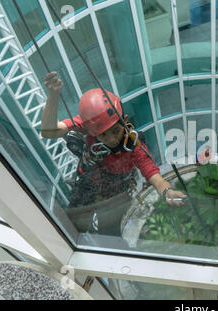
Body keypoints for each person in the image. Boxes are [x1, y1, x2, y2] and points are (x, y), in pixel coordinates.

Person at [41, 72, 186, 224]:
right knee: (74, 221)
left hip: (116, 188)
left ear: (125, 121)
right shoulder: (93, 123)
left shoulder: (132, 144)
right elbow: (48, 131)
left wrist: (166, 190)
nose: (112, 139)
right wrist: (53, 96)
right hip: (89, 179)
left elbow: (151, 171)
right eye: (103, 135)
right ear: (90, 130)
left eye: (116, 131)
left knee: (109, 225)